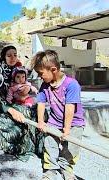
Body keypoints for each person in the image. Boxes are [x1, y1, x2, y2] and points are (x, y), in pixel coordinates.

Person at [32, 50, 85, 180]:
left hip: (74, 123)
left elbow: (69, 108)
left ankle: (66, 167)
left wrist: (67, 130)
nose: (40, 77)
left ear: (53, 69)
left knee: (71, 148)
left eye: (41, 73)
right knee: (49, 143)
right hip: (54, 121)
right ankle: (50, 169)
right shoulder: (45, 85)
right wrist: (40, 121)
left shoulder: (71, 85)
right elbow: (41, 102)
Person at [0, 45, 44, 161]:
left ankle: (39, 147)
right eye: (9, 55)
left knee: (36, 111)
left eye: (15, 55)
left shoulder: (18, 71)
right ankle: (22, 148)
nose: (13, 58)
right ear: (4, 58)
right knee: (20, 119)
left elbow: (26, 87)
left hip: (16, 103)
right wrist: (11, 110)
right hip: (0, 106)